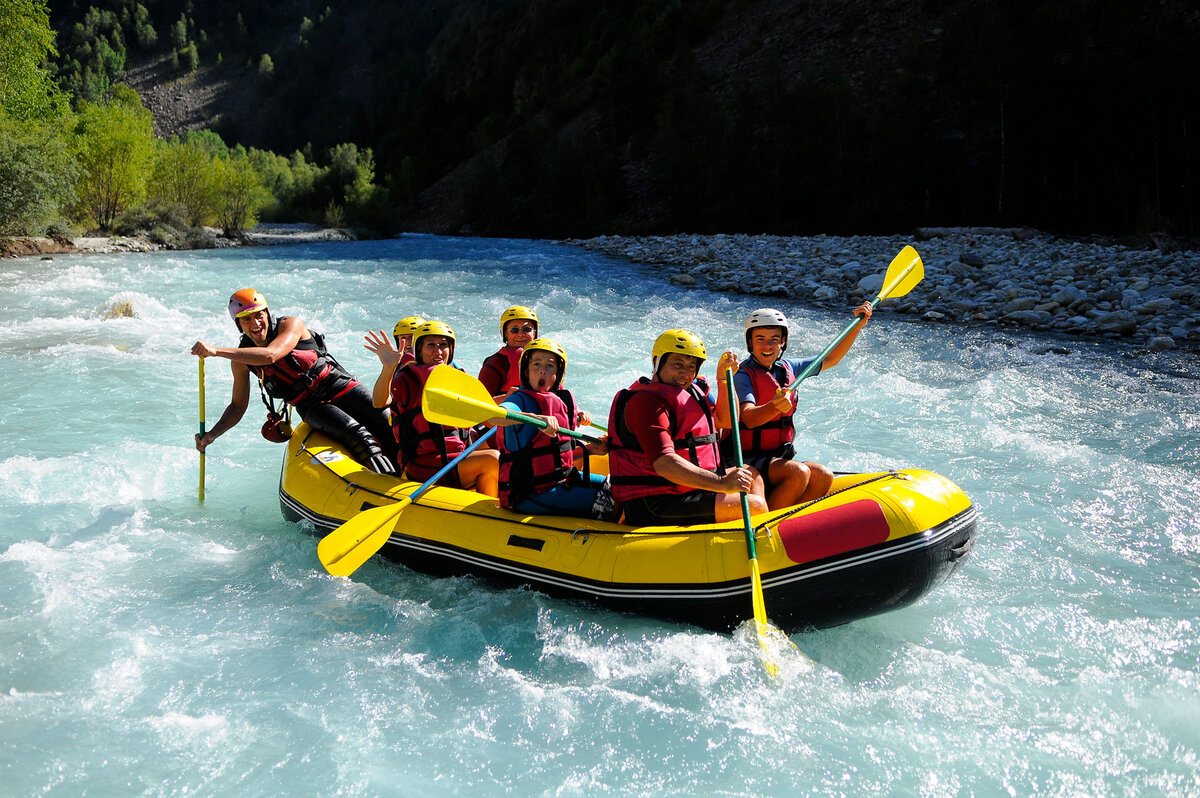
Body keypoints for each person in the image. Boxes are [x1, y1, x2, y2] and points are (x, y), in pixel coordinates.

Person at [191, 289, 395, 474]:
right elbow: (237, 406)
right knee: (361, 439)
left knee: (392, 425)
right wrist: (211, 435)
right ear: (238, 325)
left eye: (259, 315)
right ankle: (388, 483)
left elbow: (271, 355)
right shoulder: (241, 361)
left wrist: (217, 351)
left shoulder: (291, 324)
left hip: (340, 385)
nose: (255, 324)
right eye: (246, 319)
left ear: (267, 313)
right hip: (313, 407)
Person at [607, 329, 767, 526]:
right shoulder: (646, 402)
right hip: (656, 500)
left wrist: (725, 379)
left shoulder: (694, 390)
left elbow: (727, 420)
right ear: (657, 362)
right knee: (755, 507)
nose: (685, 374)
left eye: (692, 367)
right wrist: (720, 483)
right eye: (677, 364)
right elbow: (664, 463)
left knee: (753, 477)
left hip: (691, 487)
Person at [728, 304, 873, 508]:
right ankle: (769, 524)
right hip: (744, 458)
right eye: (760, 339)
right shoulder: (742, 374)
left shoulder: (789, 367)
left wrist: (858, 325)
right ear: (750, 343)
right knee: (798, 472)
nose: (767, 346)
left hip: (777, 456)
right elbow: (749, 418)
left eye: (774, 340)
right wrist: (774, 406)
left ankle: (789, 522)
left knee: (823, 475)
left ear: (783, 342)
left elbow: (831, 358)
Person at [364, 320, 499, 495]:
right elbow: (379, 402)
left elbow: (486, 413)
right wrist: (388, 368)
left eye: (443, 345)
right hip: (424, 462)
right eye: (431, 345)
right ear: (418, 350)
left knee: (485, 441)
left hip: (455, 457)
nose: (438, 351)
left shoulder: (458, 377)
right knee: (492, 459)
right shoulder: (408, 378)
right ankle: (487, 515)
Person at [489, 338, 613, 519]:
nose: (542, 370)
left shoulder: (560, 400)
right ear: (526, 370)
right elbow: (495, 415)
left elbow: (555, 458)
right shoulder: (520, 400)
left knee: (620, 487)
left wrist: (589, 449)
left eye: (550, 366)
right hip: (528, 494)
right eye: (536, 364)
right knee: (611, 502)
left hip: (560, 480)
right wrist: (535, 419)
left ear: (558, 374)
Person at [478, 305, 538, 399]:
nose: (521, 334)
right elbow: (480, 401)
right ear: (505, 334)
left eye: (526, 329)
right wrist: (506, 397)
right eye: (514, 330)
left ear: (534, 333)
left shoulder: (546, 360)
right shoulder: (496, 363)